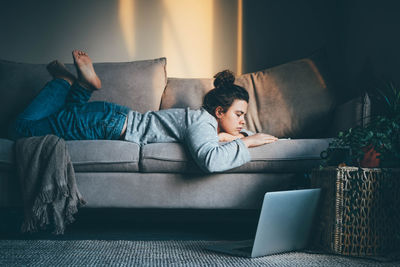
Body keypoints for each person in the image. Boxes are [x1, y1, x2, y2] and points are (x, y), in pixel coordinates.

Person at [8, 50, 278, 173]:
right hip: (105, 124)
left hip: (108, 118)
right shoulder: (201, 124)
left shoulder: (206, 124)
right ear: (219, 111)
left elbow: (233, 138)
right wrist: (248, 142)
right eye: (239, 114)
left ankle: (81, 85)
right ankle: (63, 82)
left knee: (71, 110)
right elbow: (210, 160)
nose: (243, 121)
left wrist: (254, 137)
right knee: (21, 131)